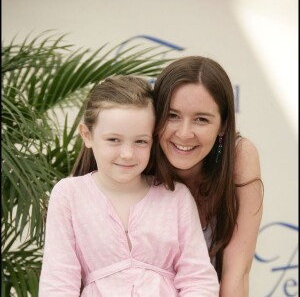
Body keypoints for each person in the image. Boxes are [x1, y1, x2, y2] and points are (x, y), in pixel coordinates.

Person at [39, 75, 219, 296]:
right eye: (114, 140)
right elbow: (58, 284)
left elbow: (198, 280)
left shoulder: (176, 197)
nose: (127, 154)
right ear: (87, 135)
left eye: (140, 141)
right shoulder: (69, 195)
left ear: (153, 140)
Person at [152, 56, 263, 297]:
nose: (184, 133)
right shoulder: (134, 157)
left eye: (201, 119)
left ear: (223, 125)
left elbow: (237, 274)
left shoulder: (239, 157)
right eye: (172, 115)